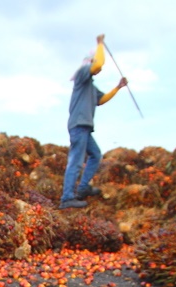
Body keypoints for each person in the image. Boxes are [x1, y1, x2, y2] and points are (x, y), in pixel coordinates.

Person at [59, 34, 128, 209]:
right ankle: (67, 198)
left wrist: (118, 87)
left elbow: (101, 100)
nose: (98, 69)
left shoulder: (90, 85)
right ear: (89, 62)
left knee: (95, 155)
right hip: (78, 125)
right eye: (94, 64)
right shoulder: (82, 74)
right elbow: (98, 64)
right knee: (76, 160)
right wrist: (100, 45)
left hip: (85, 127)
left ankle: (83, 188)